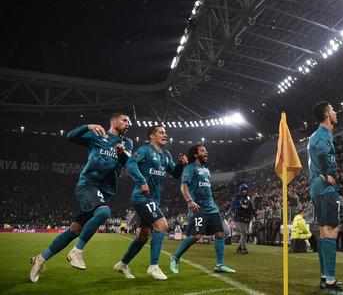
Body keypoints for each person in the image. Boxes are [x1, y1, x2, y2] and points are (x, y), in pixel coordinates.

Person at [29, 112, 132, 282]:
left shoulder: (127, 142)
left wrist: (122, 153)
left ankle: (40, 259)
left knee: (75, 229)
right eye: (125, 120)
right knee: (104, 212)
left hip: (106, 190)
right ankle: (76, 252)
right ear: (113, 121)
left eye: (129, 121)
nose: (128, 123)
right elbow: (70, 136)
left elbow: (127, 163)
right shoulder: (97, 135)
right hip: (88, 184)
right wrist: (87, 126)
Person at [114, 124, 187, 280]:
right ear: (152, 136)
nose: (165, 135)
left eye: (165, 133)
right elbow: (130, 163)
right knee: (163, 225)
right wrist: (141, 181)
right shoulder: (145, 150)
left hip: (153, 200)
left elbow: (175, 174)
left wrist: (181, 164)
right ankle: (153, 266)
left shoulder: (166, 155)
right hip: (141, 197)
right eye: (161, 132)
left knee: (144, 235)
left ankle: (122, 264)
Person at [168, 145, 236, 275]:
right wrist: (189, 201)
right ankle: (175, 257)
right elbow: (183, 187)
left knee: (220, 234)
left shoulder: (206, 170)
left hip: (212, 207)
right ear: (195, 155)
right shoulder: (190, 168)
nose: (206, 152)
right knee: (196, 236)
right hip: (198, 208)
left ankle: (219, 265)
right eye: (203, 150)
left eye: (206, 150)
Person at [308, 101, 343, 294]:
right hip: (325, 188)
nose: (335, 112)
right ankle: (332, 283)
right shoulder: (323, 134)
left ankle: (326, 278)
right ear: (326, 114)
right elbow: (321, 152)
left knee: (325, 231)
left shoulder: (318, 135)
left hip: (318, 188)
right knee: (331, 231)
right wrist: (326, 173)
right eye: (333, 110)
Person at [231, 183, 255, 254]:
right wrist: (241, 206)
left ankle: (239, 248)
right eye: (243, 190)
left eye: (245, 190)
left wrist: (254, 211)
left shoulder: (248, 198)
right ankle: (243, 248)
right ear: (240, 190)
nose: (244, 191)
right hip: (238, 217)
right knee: (244, 232)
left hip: (246, 218)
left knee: (244, 234)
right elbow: (233, 206)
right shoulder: (236, 198)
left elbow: (250, 207)